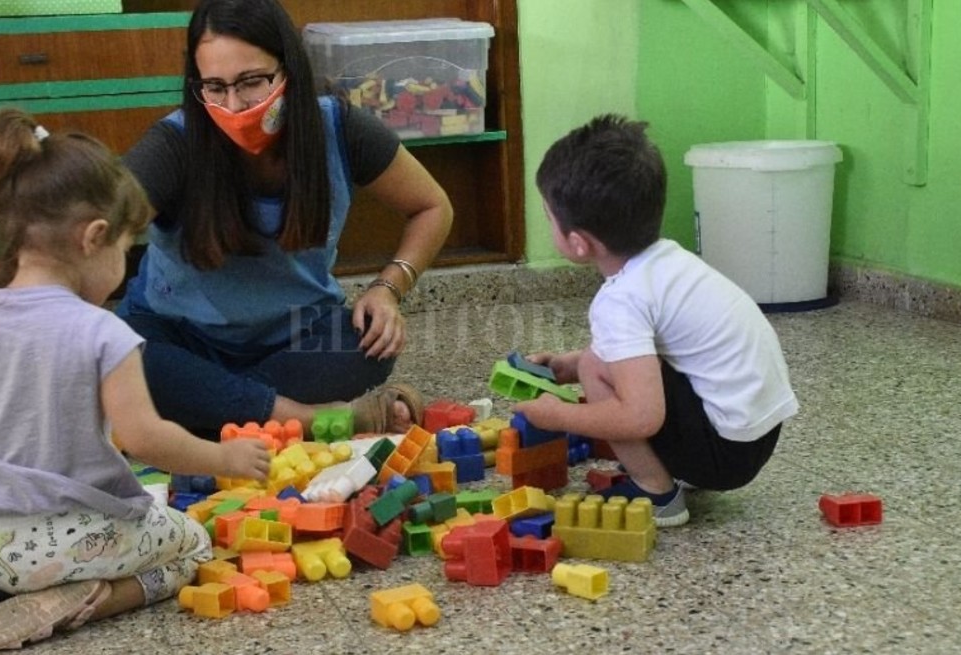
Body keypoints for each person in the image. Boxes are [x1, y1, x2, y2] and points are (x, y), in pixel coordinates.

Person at [0, 109, 271, 655]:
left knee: (16, 548)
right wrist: (225, 458)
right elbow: (145, 440)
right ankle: (92, 597)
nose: (123, 267)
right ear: (94, 238)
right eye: (125, 249)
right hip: (67, 546)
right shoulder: (101, 332)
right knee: (194, 544)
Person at [117, 0, 453, 439]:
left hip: (293, 336)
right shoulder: (174, 143)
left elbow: (432, 206)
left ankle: (207, 419)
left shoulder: (338, 127)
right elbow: (102, 225)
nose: (234, 105)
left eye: (251, 82)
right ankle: (304, 419)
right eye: (214, 87)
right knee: (126, 355)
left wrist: (388, 289)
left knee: (368, 344)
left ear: (289, 69)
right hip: (180, 337)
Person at [514, 115, 798, 527]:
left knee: (596, 365)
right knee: (595, 359)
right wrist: (564, 366)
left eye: (548, 217)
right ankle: (672, 468)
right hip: (756, 435)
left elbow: (640, 417)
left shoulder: (619, 299)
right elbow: (649, 351)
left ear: (578, 243)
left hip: (725, 454)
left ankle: (657, 493)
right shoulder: (669, 260)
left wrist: (556, 415)